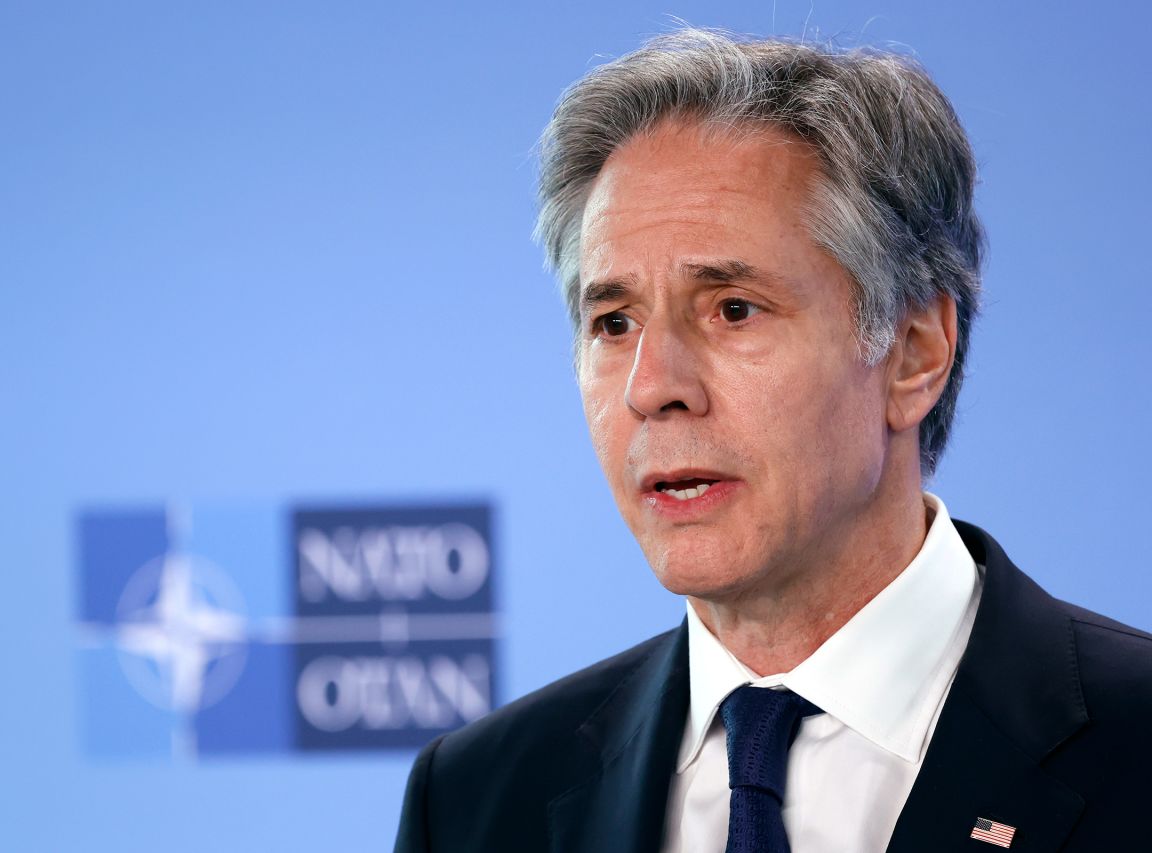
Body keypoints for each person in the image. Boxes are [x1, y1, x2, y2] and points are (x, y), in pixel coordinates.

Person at [393, 29, 1152, 852]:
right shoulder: (476, 800)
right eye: (613, 323)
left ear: (914, 353)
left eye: (732, 308)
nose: (653, 387)